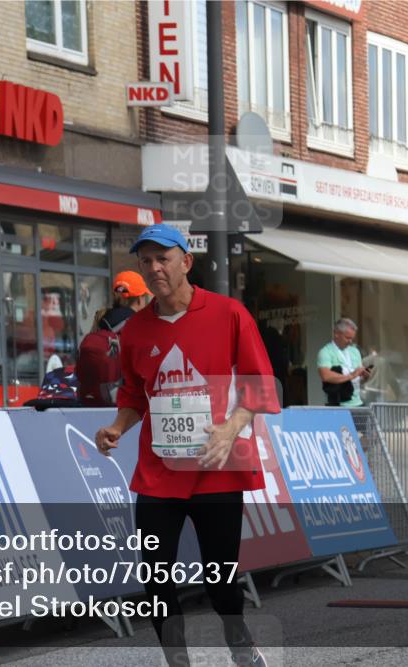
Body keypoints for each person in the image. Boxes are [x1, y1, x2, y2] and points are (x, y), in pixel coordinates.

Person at [94, 223, 279, 667]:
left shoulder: (229, 313)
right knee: (156, 580)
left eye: (163, 259)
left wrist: (231, 427)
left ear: (186, 262)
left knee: (220, 581)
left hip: (217, 468)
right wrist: (118, 426)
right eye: (146, 261)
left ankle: (240, 644)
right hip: (159, 475)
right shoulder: (135, 331)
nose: (155, 268)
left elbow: (259, 384)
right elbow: (135, 396)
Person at [76, 271, 152, 407]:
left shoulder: (100, 320)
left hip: (92, 401)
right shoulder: (139, 324)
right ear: (140, 299)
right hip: (126, 404)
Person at [317, 318, 373, 407]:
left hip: (358, 403)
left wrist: (364, 377)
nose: (350, 341)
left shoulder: (355, 351)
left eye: (352, 338)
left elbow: (357, 380)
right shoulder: (325, 352)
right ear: (336, 334)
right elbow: (326, 376)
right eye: (347, 338)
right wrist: (352, 375)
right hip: (337, 405)